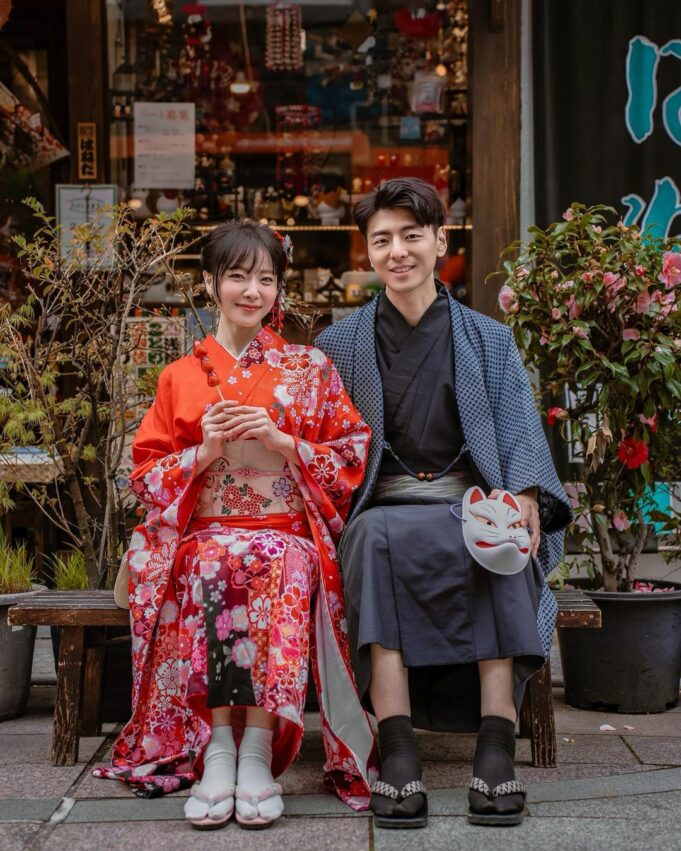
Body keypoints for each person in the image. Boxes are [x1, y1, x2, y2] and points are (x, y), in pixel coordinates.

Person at [95, 220, 377, 829]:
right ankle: (218, 748)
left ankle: (256, 752)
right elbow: (143, 476)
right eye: (238, 277)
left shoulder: (310, 367)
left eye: (266, 279)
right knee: (214, 560)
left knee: (274, 561)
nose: (253, 291)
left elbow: (352, 453)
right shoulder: (180, 376)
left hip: (285, 533)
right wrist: (203, 453)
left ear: (280, 288)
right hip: (203, 533)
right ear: (211, 283)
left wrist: (285, 441)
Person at [315, 178, 572, 829]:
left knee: (503, 539)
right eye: (382, 239)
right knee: (373, 542)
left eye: (410, 235)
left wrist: (524, 494)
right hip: (379, 506)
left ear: (439, 241)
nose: (397, 250)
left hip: (470, 499)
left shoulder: (487, 338)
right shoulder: (338, 345)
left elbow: (516, 430)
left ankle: (495, 745)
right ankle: (397, 748)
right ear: (367, 251)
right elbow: (323, 449)